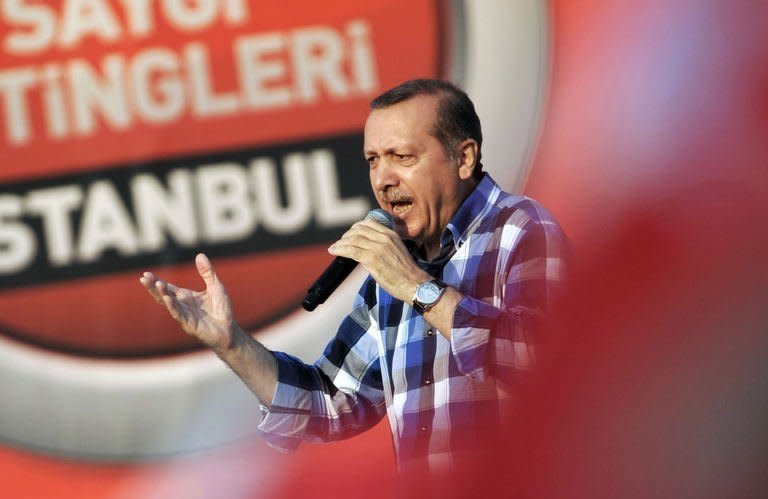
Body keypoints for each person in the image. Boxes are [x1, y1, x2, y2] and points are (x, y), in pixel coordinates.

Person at [139, 78, 567, 471]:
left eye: (402, 157)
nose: (382, 179)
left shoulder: (521, 229)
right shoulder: (394, 271)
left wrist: (419, 289)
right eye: (373, 160)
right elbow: (330, 403)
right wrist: (232, 344)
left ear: (464, 157)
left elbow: (547, 362)